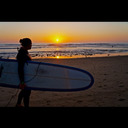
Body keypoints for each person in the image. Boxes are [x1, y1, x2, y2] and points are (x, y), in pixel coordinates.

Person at [16, 38, 32, 107]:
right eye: (30, 44)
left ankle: (19, 104)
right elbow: (20, 69)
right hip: (24, 77)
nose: (31, 45)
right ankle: (20, 104)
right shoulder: (22, 54)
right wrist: (22, 82)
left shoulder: (25, 51)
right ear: (27, 45)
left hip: (27, 75)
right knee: (26, 92)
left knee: (26, 92)